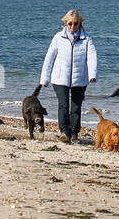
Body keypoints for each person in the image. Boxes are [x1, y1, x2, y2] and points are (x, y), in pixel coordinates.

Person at [40, 9, 97, 144]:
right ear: (65, 23)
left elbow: (92, 57)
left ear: (80, 24)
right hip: (60, 78)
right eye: (70, 23)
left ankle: (74, 133)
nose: (72, 26)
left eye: (75, 23)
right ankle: (64, 131)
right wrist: (44, 79)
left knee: (76, 107)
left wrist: (92, 74)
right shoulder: (58, 38)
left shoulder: (86, 38)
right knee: (63, 104)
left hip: (80, 79)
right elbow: (49, 58)